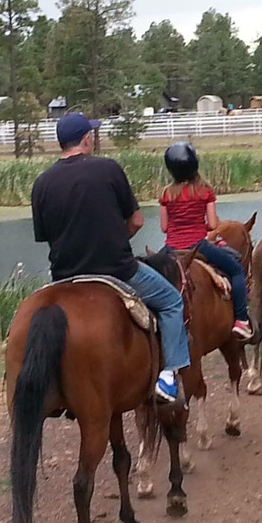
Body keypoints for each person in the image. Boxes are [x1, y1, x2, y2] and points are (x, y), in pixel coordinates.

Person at [30, 112, 190, 403]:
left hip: (65, 276)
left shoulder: (42, 183)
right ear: (87, 139)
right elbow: (138, 221)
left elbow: (47, 237)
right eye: (92, 134)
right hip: (117, 270)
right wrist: (113, 241)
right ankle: (168, 377)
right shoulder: (108, 169)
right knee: (172, 302)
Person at [158, 141, 253, 342]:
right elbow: (211, 224)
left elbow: (164, 228)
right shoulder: (205, 191)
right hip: (197, 246)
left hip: (171, 248)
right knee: (236, 269)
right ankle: (241, 320)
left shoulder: (166, 193)